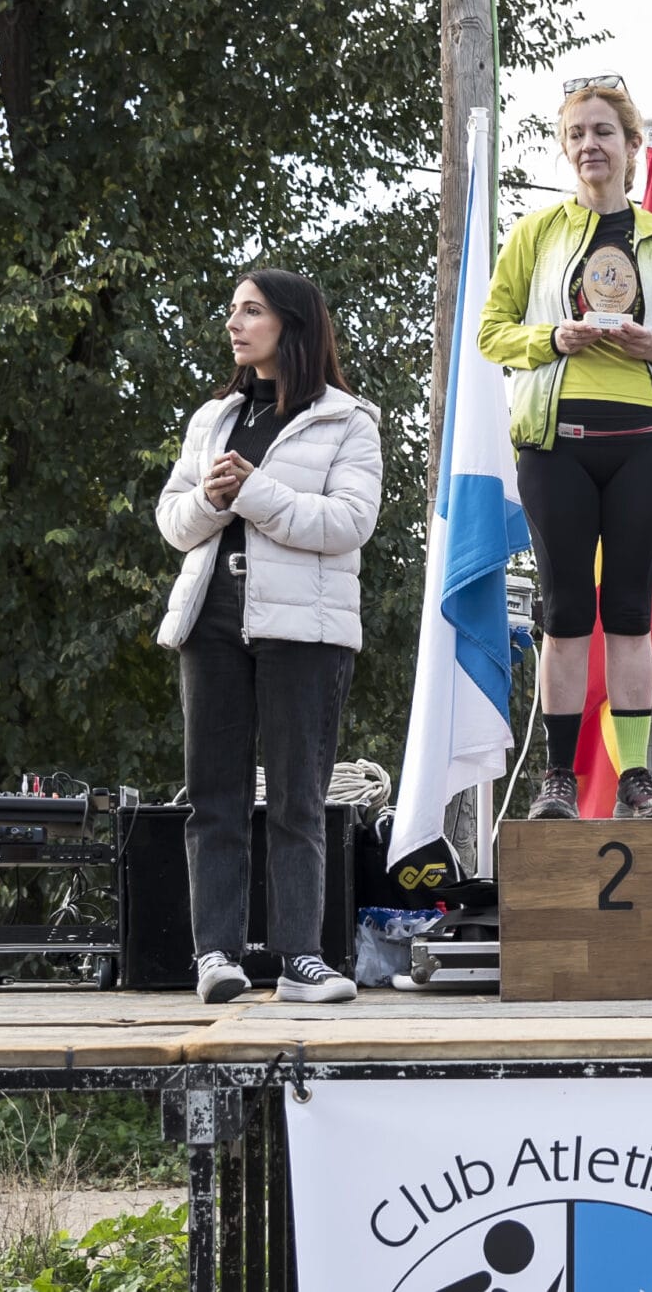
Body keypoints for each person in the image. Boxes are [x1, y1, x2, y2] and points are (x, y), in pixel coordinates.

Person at [479, 79, 652, 819]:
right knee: (564, 609)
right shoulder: (535, 234)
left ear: (631, 144)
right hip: (557, 445)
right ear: (565, 147)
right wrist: (553, 336)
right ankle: (557, 777)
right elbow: (491, 332)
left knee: (629, 612)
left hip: (646, 445)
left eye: (604, 132)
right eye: (577, 133)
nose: (590, 145)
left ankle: (636, 777)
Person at [156, 269, 382, 1005]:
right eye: (232, 310)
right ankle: (215, 954)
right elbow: (172, 522)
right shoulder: (212, 418)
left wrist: (252, 490)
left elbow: (348, 522)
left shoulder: (349, 421)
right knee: (213, 794)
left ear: (293, 323)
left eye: (250, 311)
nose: (234, 323)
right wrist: (212, 497)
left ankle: (300, 959)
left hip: (305, 629)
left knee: (298, 797)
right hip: (212, 620)